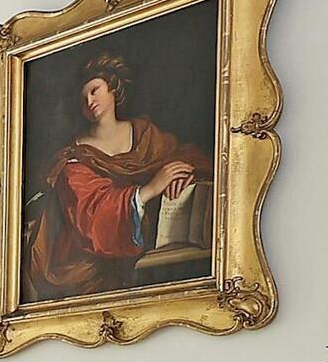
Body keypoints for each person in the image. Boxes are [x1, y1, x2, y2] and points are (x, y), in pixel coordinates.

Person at [28, 50, 209, 298]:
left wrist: (183, 173)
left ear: (114, 88)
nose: (89, 101)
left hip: (160, 248)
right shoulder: (71, 159)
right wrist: (150, 189)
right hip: (90, 259)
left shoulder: (145, 134)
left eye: (95, 90)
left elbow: (188, 158)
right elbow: (93, 214)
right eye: (83, 99)